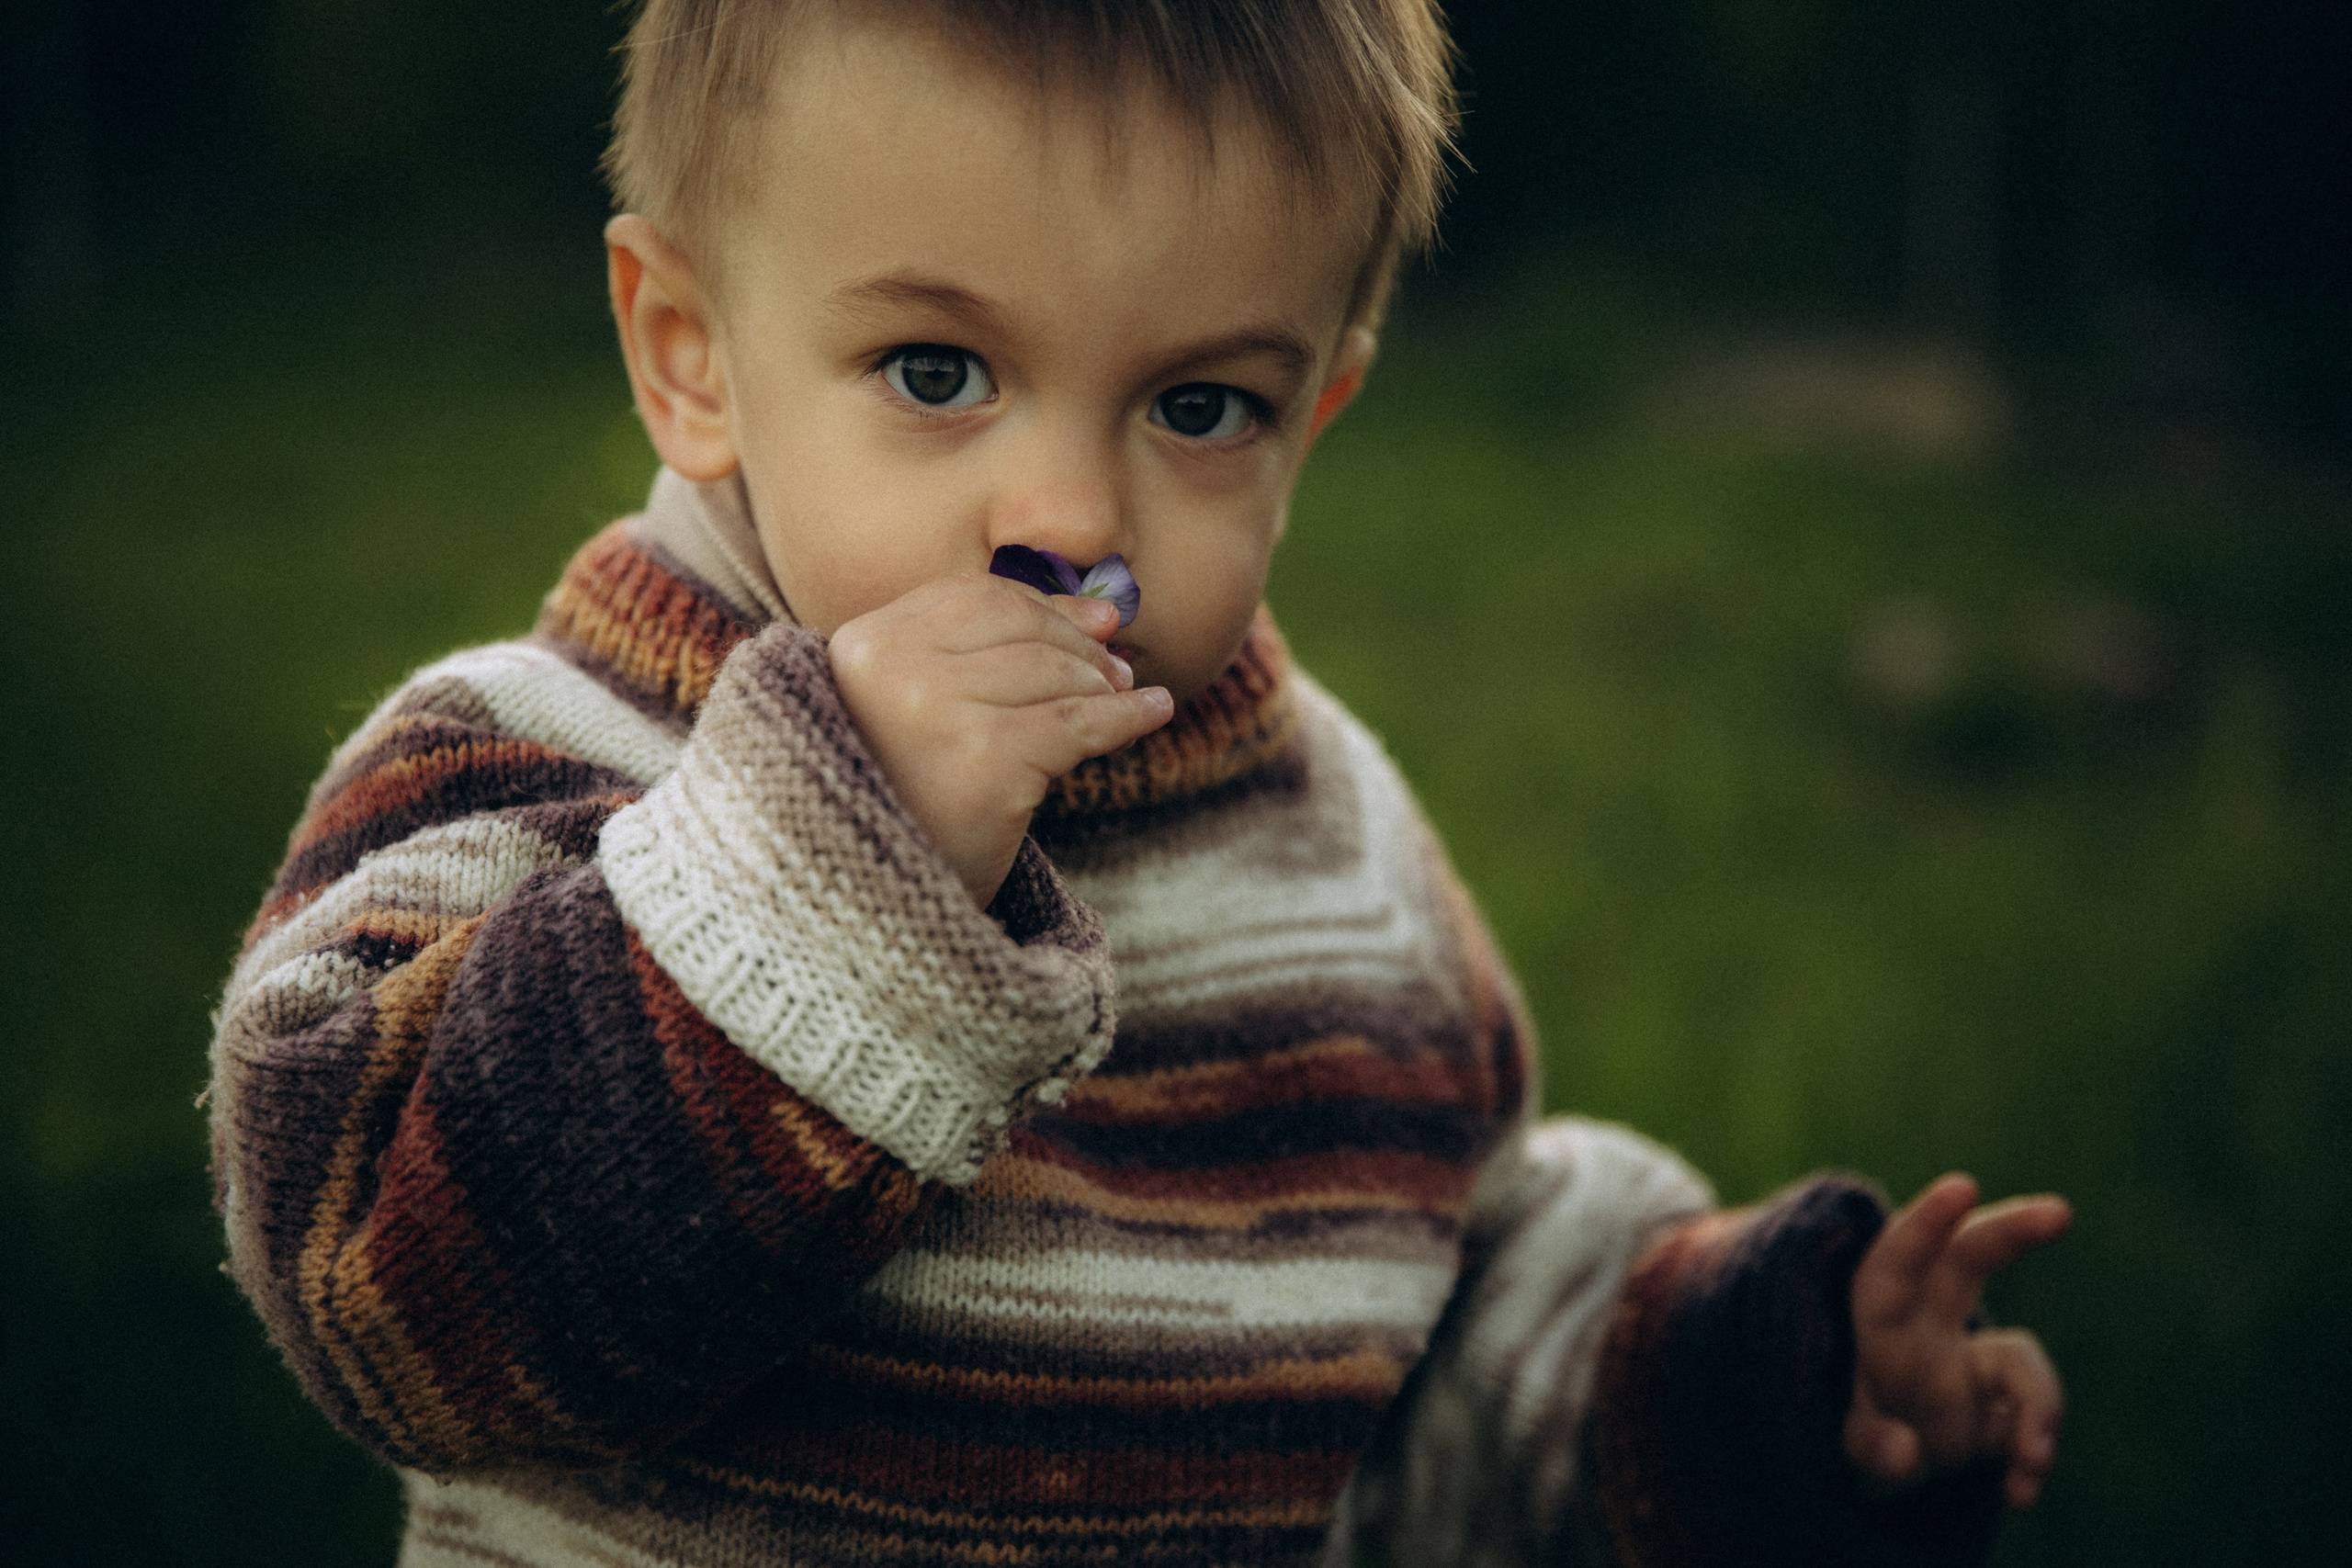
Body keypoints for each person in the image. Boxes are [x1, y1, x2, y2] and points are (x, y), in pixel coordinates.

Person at [206, 3, 2069, 1563]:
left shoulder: (1334, 857)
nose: (1070, 522)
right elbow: (381, 1293)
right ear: (689, 355)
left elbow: (1436, 1343)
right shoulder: (550, 762)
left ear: (1311, 416)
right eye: (936, 369)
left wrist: (1756, 1386)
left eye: (1197, 406)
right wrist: (830, 870)